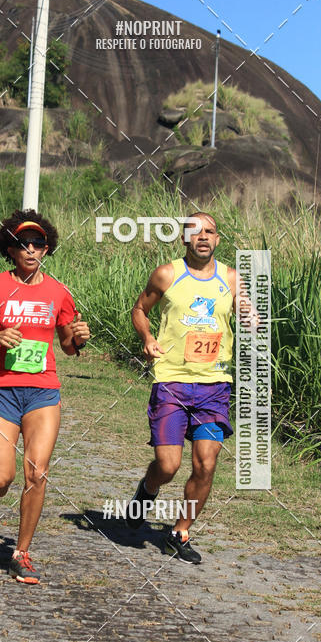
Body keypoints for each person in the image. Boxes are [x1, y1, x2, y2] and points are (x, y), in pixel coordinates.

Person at [0, 209, 90, 584]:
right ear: (11, 250)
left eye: (38, 244)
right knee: (1, 478)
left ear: (46, 249)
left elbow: (66, 346)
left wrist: (76, 336)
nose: (31, 250)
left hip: (43, 391)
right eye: (23, 244)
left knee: (37, 472)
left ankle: (21, 553)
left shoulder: (59, 291)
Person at [129, 212, 257, 564]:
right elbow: (139, 309)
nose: (203, 236)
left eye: (210, 231)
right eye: (195, 231)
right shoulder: (167, 274)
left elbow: (246, 309)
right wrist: (148, 337)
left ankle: (179, 532)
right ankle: (148, 488)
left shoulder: (231, 277)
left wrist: (250, 316)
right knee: (168, 466)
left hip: (215, 385)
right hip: (172, 382)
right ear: (185, 239)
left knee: (206, 463)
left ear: (218, 240)